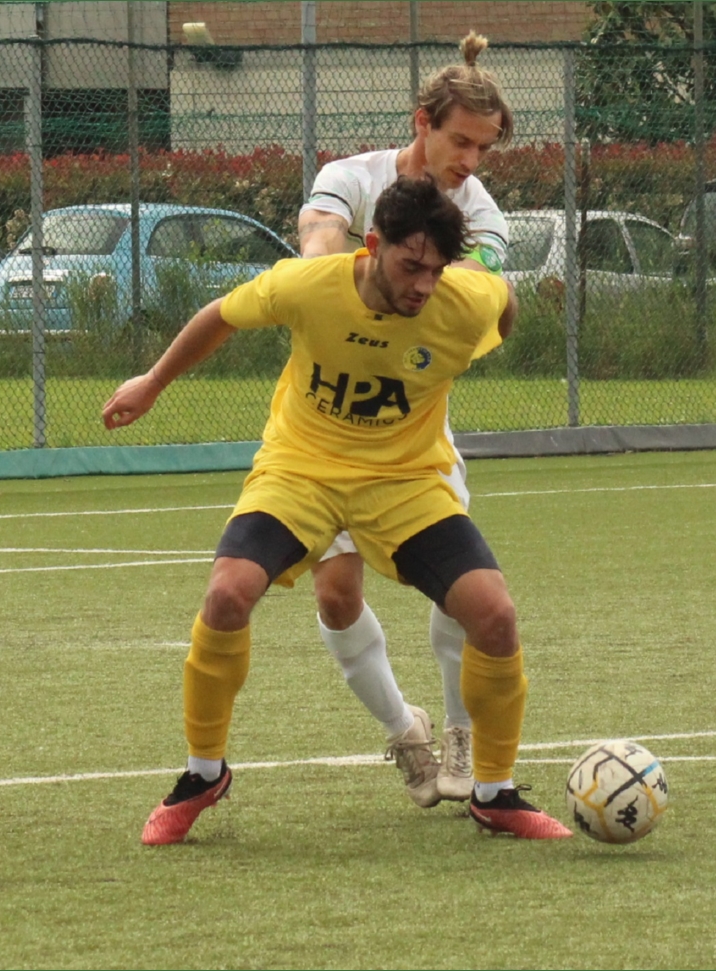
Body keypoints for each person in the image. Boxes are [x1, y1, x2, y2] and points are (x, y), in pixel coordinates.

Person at [102, 177, 572, 846]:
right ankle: (203, 774)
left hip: (403, 481)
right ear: (372, 245)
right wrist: (152, 383)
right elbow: (222, 314)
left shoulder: (460, 302)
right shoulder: (309, 285)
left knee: (494, 615)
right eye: (411, 265)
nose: (424, 285)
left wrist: (474, 316)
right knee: (227, 596)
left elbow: (502, 302)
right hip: (302, 470)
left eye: (437, 270)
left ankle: (494, 793)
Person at [297, 30, 512, 809]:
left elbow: (475, 289)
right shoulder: (346, 179)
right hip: (328, 423)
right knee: (335, 594)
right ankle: (406, 731)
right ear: (423, 122)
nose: (471, 161)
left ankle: (460, 732)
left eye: (485, 148)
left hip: (414, 432)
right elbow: (319, 245)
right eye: (462, 142)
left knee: (459, 590)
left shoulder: (480, 213)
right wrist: (340, 278)